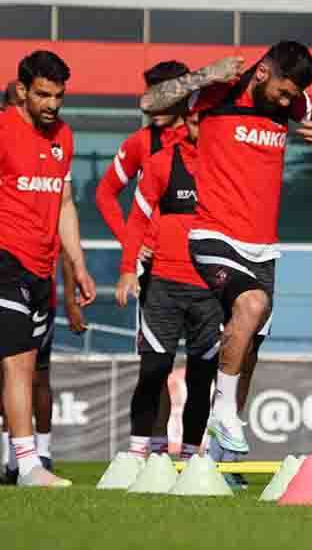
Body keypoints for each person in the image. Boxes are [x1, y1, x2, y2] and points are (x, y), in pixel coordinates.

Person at [137, 41, 312, 468]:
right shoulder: (219, 93)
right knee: (252, 304)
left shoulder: (290, 102)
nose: (288, 102)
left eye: (292, 97)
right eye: (284, 93)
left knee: (246, 353)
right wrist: (205, 74)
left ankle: (221, 458)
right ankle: (223, 416)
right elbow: (150, 100)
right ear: (263, 72)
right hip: (214, 237)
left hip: (262, 249)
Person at [0, 51, 96, 487]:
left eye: (58, 95)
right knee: (18, 363)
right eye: (43, 94)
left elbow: (64, 204)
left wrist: (77, 265)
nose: (52, 105)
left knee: (33, 368)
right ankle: (27, 465)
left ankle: (25, 461)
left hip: (42, 268)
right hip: (5, 259)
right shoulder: (2, 130)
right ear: (22, 90)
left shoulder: (65, 136)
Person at [96, 61, 192, 456]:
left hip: (208, 268)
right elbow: (104, 195)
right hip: (158, 270)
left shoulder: (207, 138)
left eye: (162, 93)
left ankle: (207, 454)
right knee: (156, 365)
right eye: (149, 93)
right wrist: (132, 249)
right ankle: (151, 450)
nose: (153, 102)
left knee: (213, 365)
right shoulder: (140, 142)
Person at [114, 107, 220, 464]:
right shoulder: (160, 163)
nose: (198, 128)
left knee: (201, 379)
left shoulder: (228, 168)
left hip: (210, 291)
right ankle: (138, 454)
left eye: (205, 122)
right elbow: (137, 218)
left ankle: (191, 457)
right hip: (163, 286)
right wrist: (129, 269)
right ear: (184, 122)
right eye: (192, 121)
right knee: (153, 371)